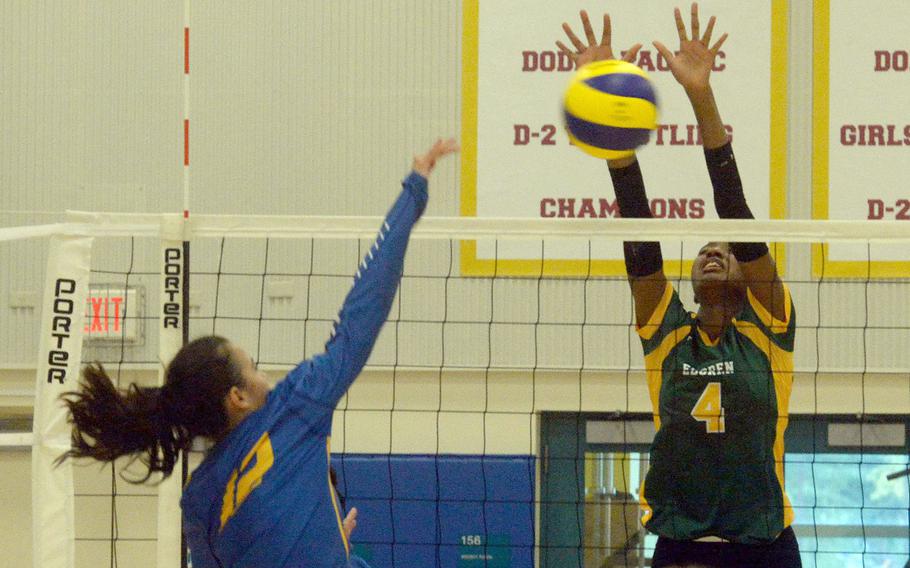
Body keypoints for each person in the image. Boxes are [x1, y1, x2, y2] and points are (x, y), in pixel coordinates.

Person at [58, 138, 459, 567]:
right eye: (252, 367)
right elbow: (364, 306)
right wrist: (413, 190)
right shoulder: (295, 408)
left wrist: (329, 550)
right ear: (239, 397)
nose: (264, 373)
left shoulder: (199, 502)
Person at [558, 5, 801, 567]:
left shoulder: (770, 328)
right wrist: (613, 129)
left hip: (763, 545)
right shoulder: (667, 334)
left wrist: (700, 96)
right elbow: (639, 232)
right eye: (702, 252)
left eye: (727, 251)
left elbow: (735, 211)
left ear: (747, 271)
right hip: (680, 546)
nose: (713, 251)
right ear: (689, 283)